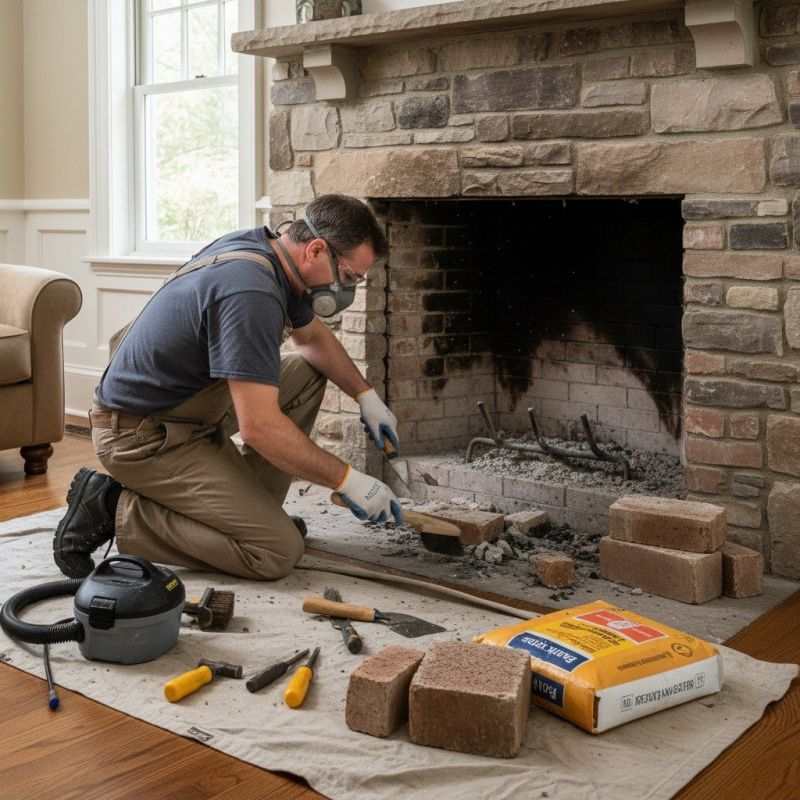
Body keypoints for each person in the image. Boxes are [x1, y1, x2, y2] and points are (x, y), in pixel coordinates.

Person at [53, 193, 403, 580]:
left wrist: (365, 395)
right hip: (141, 436)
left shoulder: (269, 252)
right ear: (316, 250)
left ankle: (250, 515)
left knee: (305, 374)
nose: (348, 290)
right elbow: (260, 427)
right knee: (275, 552)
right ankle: (109, 503)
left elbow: (312, 340)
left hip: (183, 404)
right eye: (350, 277)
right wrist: (348, 480)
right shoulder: (251, 292)